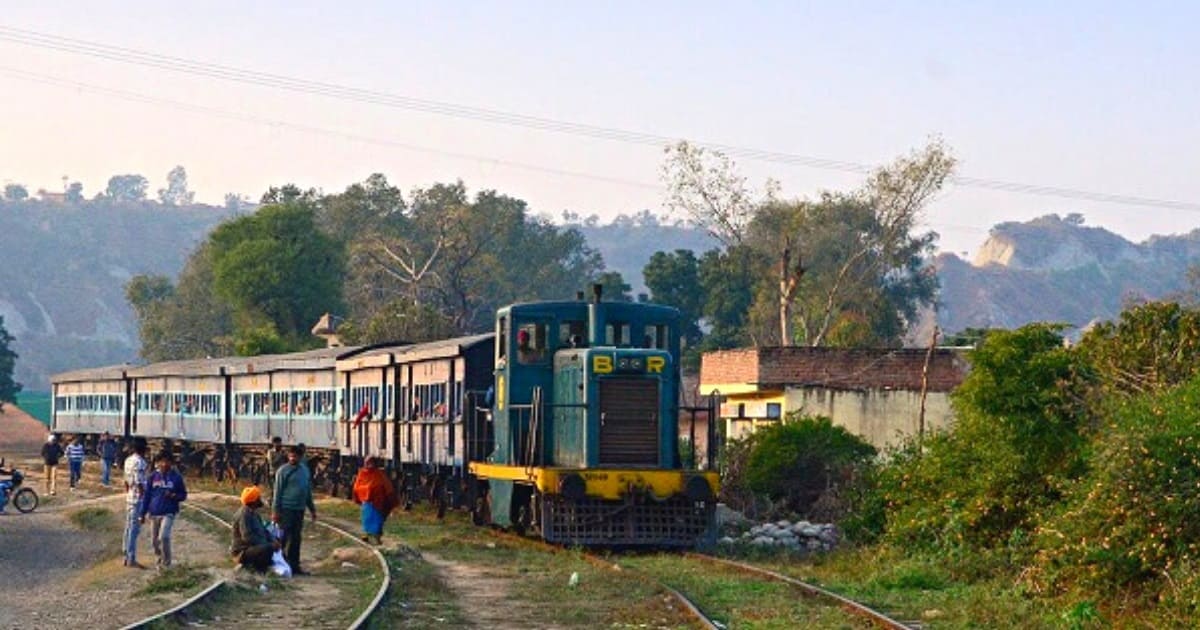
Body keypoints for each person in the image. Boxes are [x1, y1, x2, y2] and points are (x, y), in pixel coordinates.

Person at [272, 445, 317, 575]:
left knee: (296, 539)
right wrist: (275, 511)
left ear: (301, 457)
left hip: (299, 509)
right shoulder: (282, 471)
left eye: (295, 456)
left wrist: (312, 509)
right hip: (286, 509)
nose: (292, 458)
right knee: (284, 538)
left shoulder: (304, 470)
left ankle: (295, 566)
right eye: (290, 456)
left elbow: (307, 491)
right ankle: (281, 565)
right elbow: (277, 492)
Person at [140, 452, 188, 568]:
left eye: (167, 461)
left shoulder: (176, 478)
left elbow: (183, 495)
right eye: (162, 461)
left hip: (169, 512)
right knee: (154, 541)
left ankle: (167, 564)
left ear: (171, 463)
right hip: (154, 513)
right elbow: (146, 496)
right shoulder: (152, 477)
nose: (164, 464)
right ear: (157, 463)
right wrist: (142, 513)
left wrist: (173, 496)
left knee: (164, 537)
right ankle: (159, 559)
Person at [231, 486, 280, 573]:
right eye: (258, 498)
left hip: (253, 548)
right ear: (253, 501)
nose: (260, 499)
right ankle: (257, 567)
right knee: (268, 548)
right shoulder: (244, 515)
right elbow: (247, 537)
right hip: (242, 552)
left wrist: (273, 540)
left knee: (274, 545)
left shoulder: (254, 513)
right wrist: (268, 544)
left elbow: (264, 530)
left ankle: (261, 565)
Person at [352, 456, 397, 545]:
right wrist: (365, 491)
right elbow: (356, 487)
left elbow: (387, 487)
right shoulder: (362, 474)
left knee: (377, 520)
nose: (370, 466)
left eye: (372, 463)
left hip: (378, 502)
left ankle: (377, 537)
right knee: (367, 519)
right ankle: (367, 534)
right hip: (367, 502)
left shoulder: (379, 474)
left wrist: (389, 497)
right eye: (368, 464)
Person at [122, 439, 149, 569]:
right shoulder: (140, 462)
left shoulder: (128, 460)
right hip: (138, 499)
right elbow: (139, 482)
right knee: (134, 529)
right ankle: (131, 557)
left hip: (129, 497)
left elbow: (126, 482)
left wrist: (129, 493)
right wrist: (145, 498)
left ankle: (125, 553)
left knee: (128, 526)